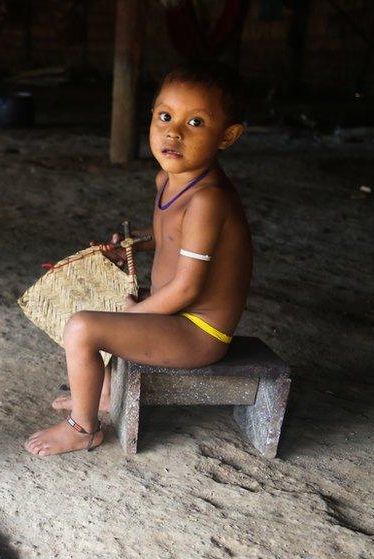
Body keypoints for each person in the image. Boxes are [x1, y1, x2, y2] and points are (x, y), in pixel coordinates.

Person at [25, 62, 253, 457]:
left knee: (82, 329)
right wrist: (136, 245)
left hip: (198, 332)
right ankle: (106, 393)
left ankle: (83, 428)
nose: (174, 131)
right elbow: (174, 239)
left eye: (195, 122)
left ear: (227, 137)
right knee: (100, 298)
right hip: (174, 313)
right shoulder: (167, 181)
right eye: (165, 116)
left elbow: (187, 287)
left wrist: (137, 313)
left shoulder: (207, 199)